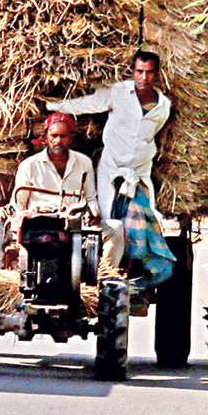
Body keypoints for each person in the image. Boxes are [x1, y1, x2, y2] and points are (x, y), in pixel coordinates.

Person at [47, 49, 174, 290]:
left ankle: (130, 278)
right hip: (110, 169)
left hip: (138, 174)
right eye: (139, 71)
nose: (144, 78)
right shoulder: (118, 93)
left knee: (141, 223)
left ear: (156, 75)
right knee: (106, 223)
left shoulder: (163, 107)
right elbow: (87, 104)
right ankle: (97, 277)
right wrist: (52, 105)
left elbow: (150, 136)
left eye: (149, 72)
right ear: (133, 72)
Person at [12, 113, 97, 218]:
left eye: (63, 136)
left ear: (71, 138)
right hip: (38, 222)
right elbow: (18, 204)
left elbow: (91, 199)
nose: (58, 141)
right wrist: (9, 212)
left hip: (71, 221)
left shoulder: (84, 163)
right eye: (54, 136)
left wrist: (93, 213)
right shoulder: (29, 165)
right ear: (46, 137)